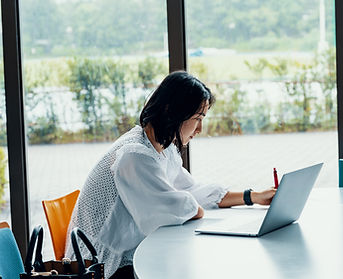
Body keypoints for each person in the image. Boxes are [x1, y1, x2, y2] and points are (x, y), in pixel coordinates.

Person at [64, 71, 277, 279]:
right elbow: (174, 210)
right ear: (172, 111)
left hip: (125, 254)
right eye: (198, 118)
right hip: (105, 265)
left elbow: (192, 192)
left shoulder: (162, 149)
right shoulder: (135, 156)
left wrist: (253, 197)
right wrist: (195, 208)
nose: (200, 128)